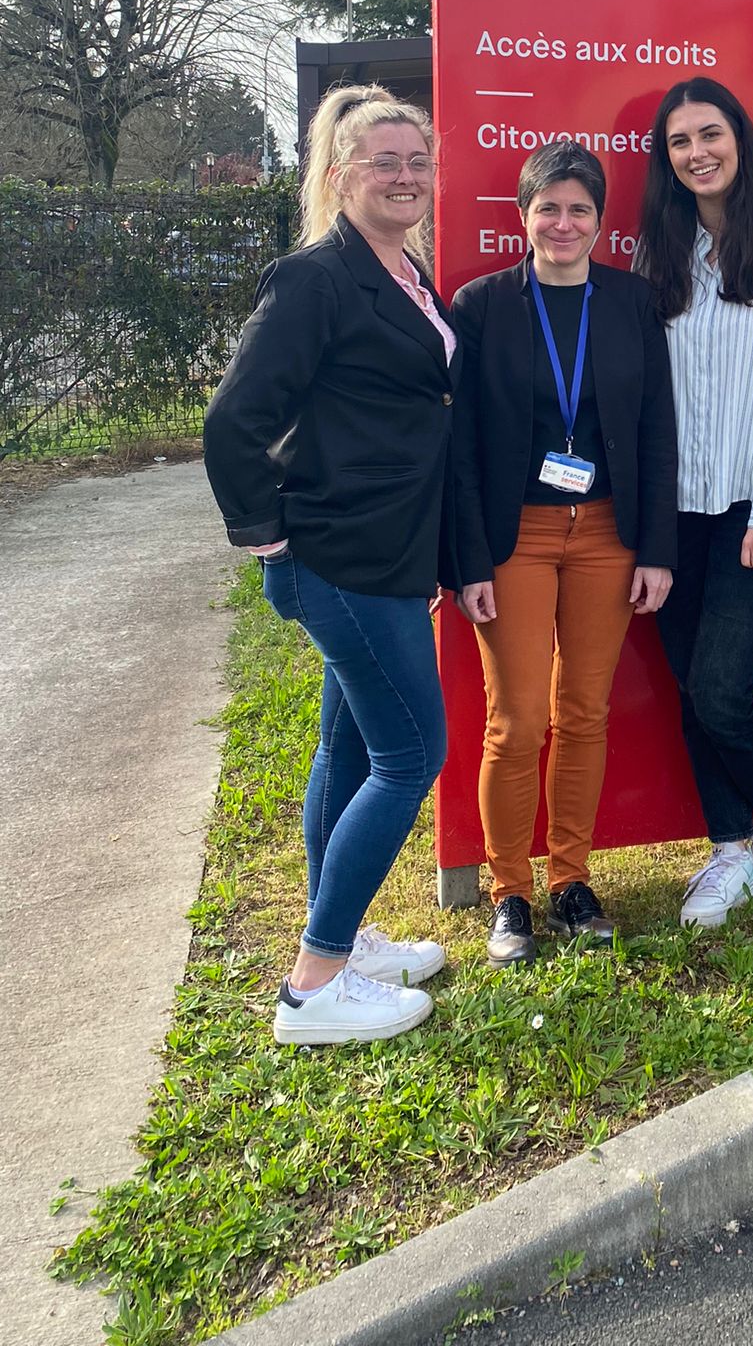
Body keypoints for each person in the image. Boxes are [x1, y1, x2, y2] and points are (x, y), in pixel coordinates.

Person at [203, 85, 456, 1046]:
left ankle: (339, 940)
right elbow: (235, 422)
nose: (405, 176)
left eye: (417, 162)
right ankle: (314, 988)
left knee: (348, 751)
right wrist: (271, 543)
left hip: (391, 550)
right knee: (412, 754)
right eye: (384, 162)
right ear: (342, 174)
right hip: (344, 555)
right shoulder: (314, 279)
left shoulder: (405, 271)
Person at [449, 141, 677, 966]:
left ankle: (571, 880)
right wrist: (468, 561)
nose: (564, 222)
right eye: (548, 207)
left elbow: (657, 429)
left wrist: (657, 549)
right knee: (515, 722)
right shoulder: (480, 306)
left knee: (583, 713)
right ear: (524, 215)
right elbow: (461, 446)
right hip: (516, 537)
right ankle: (509, 892)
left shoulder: (632, 302)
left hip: (609, 536)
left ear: (600, 220)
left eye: (580, 209)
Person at [636, 78, 753, 927]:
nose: (697, 152)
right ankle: (728, 846)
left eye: (709, 133)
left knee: (721, 684)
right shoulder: (661, 251)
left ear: (739, 141)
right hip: (674, 506)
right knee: (688, 684)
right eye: (680, 141)